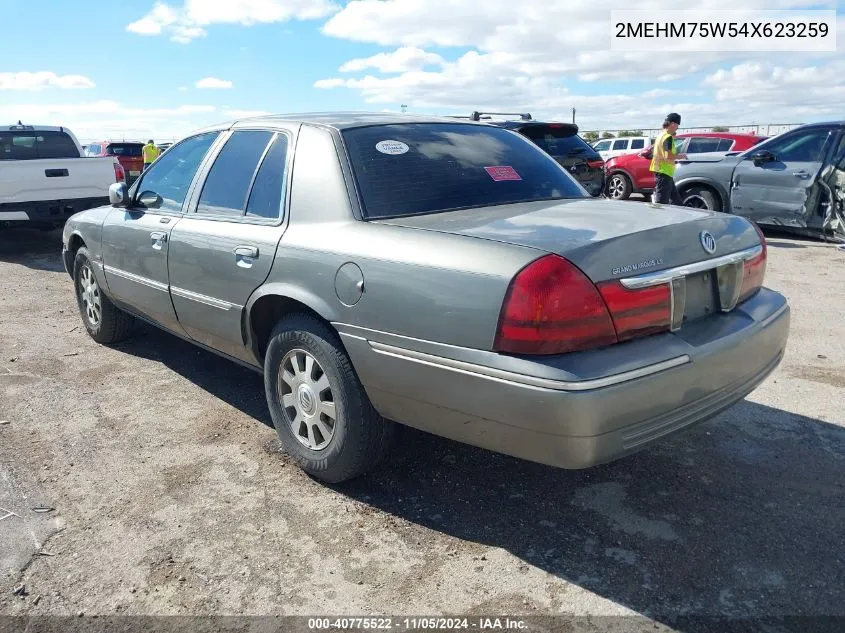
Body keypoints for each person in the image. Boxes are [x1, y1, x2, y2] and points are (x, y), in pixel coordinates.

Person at [649, 113, 687, 205]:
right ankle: (658, 217)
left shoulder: (660, 135)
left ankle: (678, 215)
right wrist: (681, 156)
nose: (677, 127)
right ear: (673, 124)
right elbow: (668, 156)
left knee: (676, 200)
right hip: (664, 171)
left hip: (663, 171)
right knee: (661, 202)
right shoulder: (667, 137)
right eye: (677, 125)